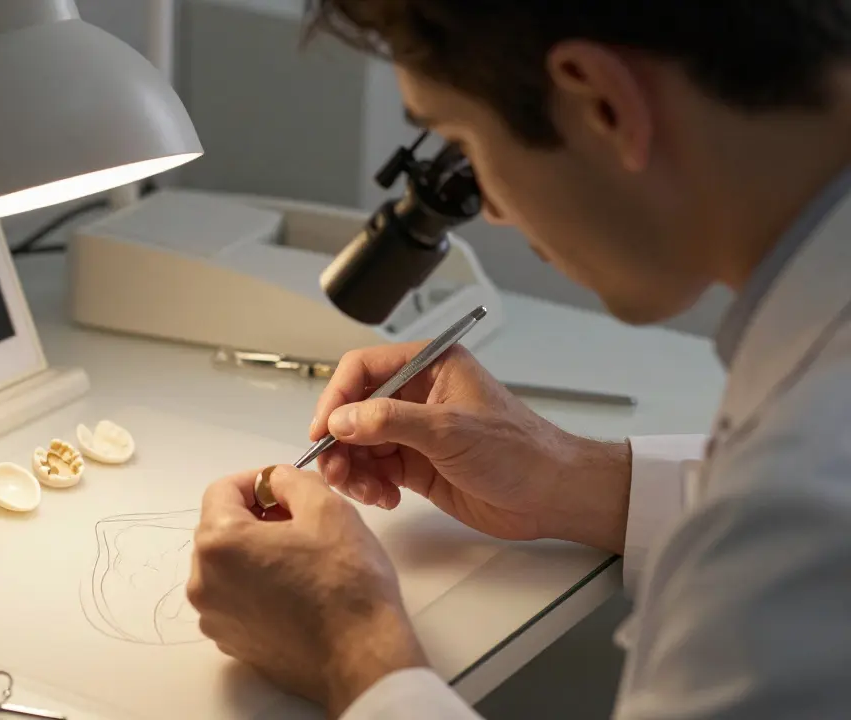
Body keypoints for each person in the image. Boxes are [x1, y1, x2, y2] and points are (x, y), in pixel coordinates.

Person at [185, 1, 851, 718]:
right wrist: (577, 481)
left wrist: (352, 647)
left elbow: (791, 523)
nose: (493, 211)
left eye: (464, 149)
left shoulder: (795, 507)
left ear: (601, 103)